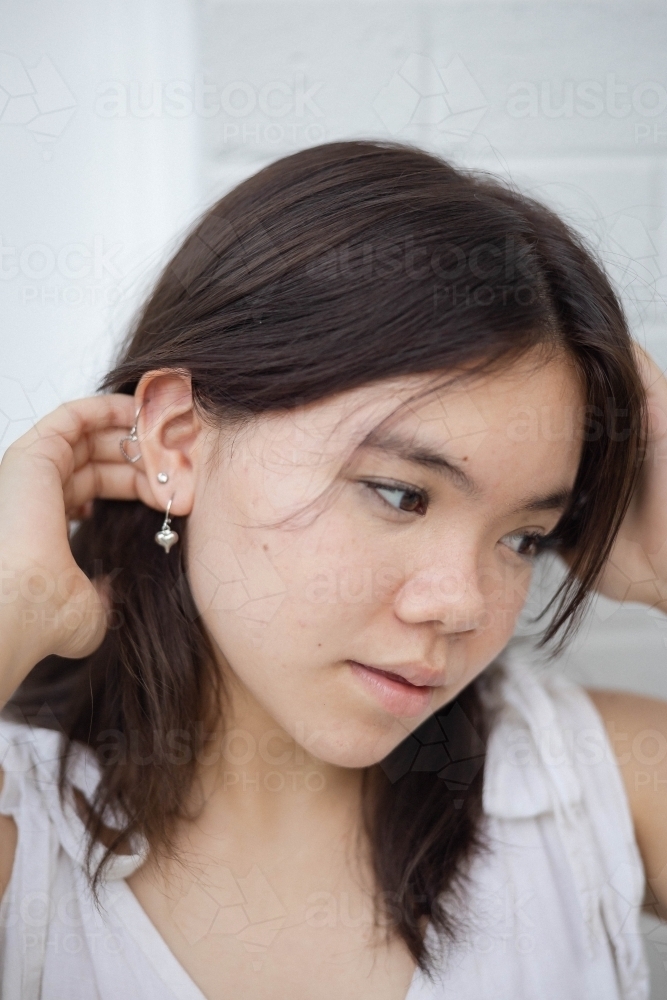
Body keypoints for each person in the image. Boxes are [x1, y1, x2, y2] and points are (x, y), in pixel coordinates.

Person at [0, 139, 665, 1000]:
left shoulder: (594, 785)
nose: (459, 605)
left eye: (523, 539)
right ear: (175, 441)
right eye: (398, 494)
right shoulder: (27, 843)